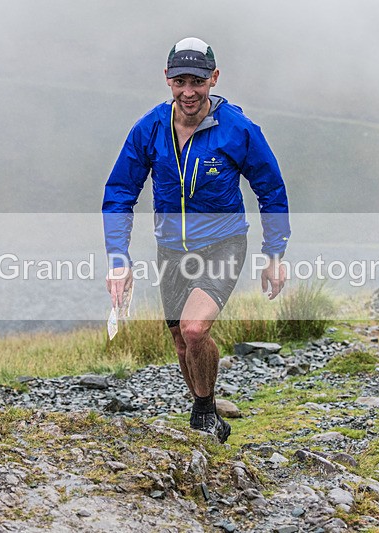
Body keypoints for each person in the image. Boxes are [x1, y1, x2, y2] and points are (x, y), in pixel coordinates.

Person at [102, 37, 291, 443]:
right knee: (180, 340)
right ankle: (208, 411)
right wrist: (118, 257)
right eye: (180, 81)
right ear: (167, 80)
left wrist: (274, 253)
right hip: (171, 248)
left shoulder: (238, 130)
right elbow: (120, 192)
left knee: (193, 329)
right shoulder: (150, 128)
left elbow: (271, 189)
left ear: (214, 79)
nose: (189, 91)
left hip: (223, 244)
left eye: (198, 81)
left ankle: (202, 414)